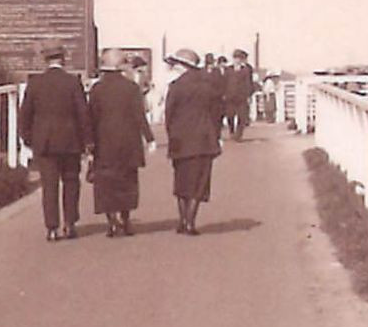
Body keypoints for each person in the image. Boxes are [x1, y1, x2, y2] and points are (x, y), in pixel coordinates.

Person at [18, 46, 92, 240]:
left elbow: (25, 114)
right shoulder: (72, 82)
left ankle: (52, 228)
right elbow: (83, 114)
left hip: (44, 142)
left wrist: (28, 138)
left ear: (45, 60)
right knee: (71, 182)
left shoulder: (35, 83)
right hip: (70, 141)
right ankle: (70, 223)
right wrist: (88, 141)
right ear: (63, 59)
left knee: (49, 185)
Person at [88, 49, 155, 237]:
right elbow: (139, 116)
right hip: (129, 144)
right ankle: (126, 221)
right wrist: (149, 138)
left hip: (104, 144)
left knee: (106, 184)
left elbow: (90, 118)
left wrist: (89, 143)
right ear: (120, 67)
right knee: (127, 183)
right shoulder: (131, 88)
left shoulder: (97, 89)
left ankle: (111, 222)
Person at [163, 47, 223, 235]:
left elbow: (169, 115)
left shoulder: (175, 86)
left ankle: (182, 221)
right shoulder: (208, 87)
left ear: (183, 66)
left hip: (180, 140)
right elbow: (217, 114)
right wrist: (216, 135)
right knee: (199, 182)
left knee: (181, 181)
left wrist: (172, 134)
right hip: (204, 139)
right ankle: (190, 221)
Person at [224, 48, 257, 141]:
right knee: (230, 115)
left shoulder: (246, 70)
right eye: (236, 58)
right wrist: (223, 94)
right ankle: (231, 131)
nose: (237, 60)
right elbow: (223, 82)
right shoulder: (228, 70)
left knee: (242, 116)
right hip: (230, 96)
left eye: (239, 58)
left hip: (242, 96)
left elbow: (249, 83)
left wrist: (249, 95)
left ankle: (238, 135)